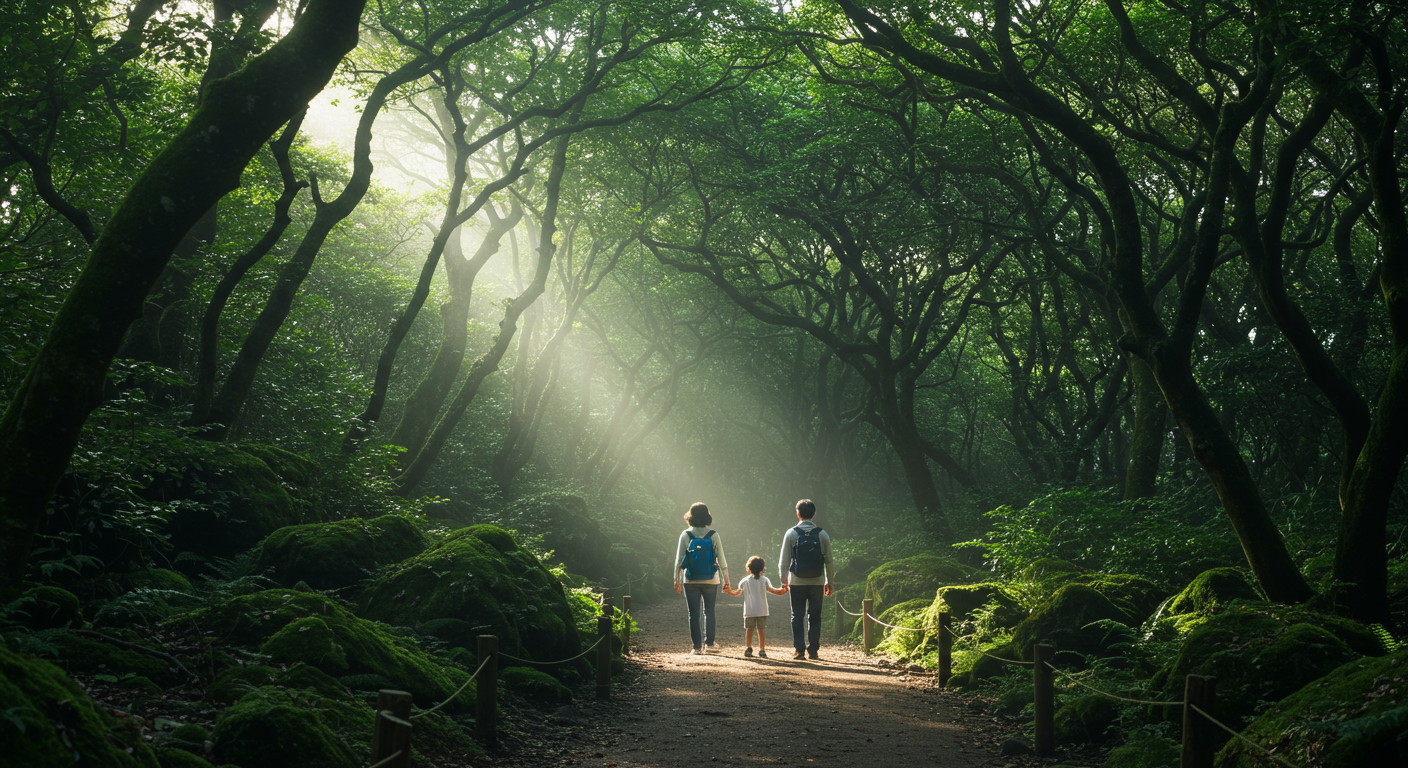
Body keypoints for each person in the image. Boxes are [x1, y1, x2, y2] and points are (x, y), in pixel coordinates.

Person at [778, 499, 835, 660]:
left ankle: (799, 650)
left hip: (796, 580)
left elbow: (784, 560)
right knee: (815, 616)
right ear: (814, 514)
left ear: (798, 514)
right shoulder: (822, 534)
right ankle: (814, 650)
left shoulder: (791, 533)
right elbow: (829, 560)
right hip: (817, 581)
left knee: (797, 615)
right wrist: (829, 582)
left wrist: (784, 580)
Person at [674, 502, 731, 654]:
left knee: (693, 614)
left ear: (690, 516)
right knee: (710, 611)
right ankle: (710, 645)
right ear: (707, 516)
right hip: (711, 579)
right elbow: (721, 560)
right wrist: (726, 581)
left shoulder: (685, 535)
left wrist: (677, 580)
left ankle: (697, 647)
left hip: (690, 580)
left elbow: (679, 560)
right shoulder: (713, 535)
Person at [723, 555, 788, 658]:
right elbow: (774, 591)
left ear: (749, 568)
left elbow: (737, 593)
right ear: (763, 569)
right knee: (761, 630)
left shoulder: (745, 581)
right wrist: (783, 590)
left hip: (749, 611)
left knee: (749, 630)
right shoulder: (765, 580)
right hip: (762, 610)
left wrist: (728, 591)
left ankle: (748, 648)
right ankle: (762, 650)